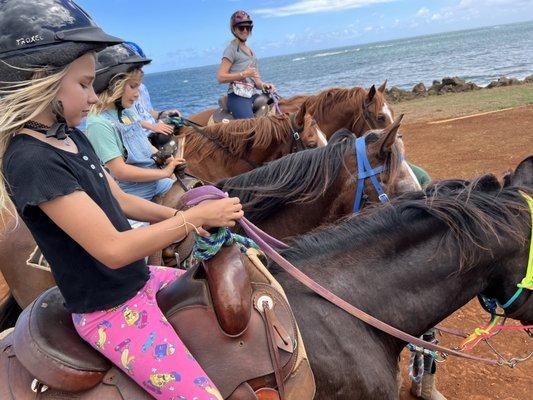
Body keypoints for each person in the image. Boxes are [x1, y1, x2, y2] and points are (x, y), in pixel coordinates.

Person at [0, 1, 243, 399]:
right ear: (39, 79)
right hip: (110, 311)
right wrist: (190, 218)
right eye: (83, 85)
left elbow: (120, 200)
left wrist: (189, 215)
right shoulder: (31, 160)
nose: (94, 98)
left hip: (139, 281)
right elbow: (112, 249)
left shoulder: (69, 135)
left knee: (219, 292)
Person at [86, 43, 181, 202]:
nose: (137, 95)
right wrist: (164, 173)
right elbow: (119, 171)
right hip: (133, 195)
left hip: (155, 183)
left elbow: (143, 143)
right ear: (112, 86)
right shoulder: (98, 123)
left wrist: (166, 158)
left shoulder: (127, 111)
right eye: (133, 87)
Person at [216, 10, 276, 119]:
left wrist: (264, 85)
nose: (245, 30)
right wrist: (244, 74)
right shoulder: (231, 50)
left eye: (248, 28)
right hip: (238, 97)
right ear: (234, 29)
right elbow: (220, 77)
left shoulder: (252, 53)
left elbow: (256, 81)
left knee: (277, 109)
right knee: (252, 128)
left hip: (253, 94)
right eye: (241, 28)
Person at [123, 41, 180, 137]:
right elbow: (127, 119)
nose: (140, 70)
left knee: (179, 122)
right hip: (144, 135)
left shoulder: (142, 88)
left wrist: (164, 114)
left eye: (140, 67)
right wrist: (153, 127)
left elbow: (148, 111)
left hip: (154, 128)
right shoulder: (121, 94)